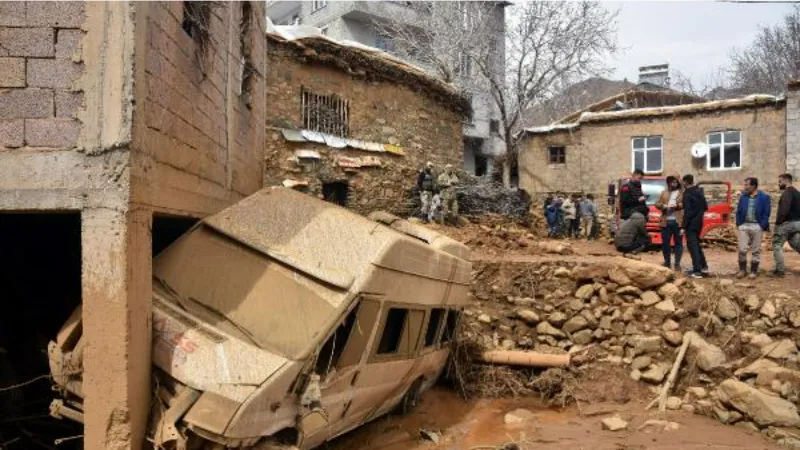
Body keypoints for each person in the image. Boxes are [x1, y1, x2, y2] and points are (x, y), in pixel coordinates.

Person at [735, 177, 771, 279]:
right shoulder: (743, 197)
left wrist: (762, 225)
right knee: (742, 249)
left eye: (747, 185)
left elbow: (766, 213)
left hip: (757, 226)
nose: (745, 187)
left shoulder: (764, 197)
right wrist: (739, 224)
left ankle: (753, 271)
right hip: (744, 225)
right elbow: (739, 211)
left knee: (756, 250)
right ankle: (742, 270)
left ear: (754, 186)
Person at [771, 173, 800, 277]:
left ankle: (780, 271)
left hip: (787, 224)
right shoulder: (797, 193)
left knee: (777, 245)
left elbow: (784, 210)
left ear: (786, 181)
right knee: (796, 243)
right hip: (798, 224)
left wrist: (778, 223)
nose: (778, 184)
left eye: (780, 181)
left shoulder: (787, 193)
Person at [682, 174, 709, 278]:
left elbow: (687, 212)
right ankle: (704, 267)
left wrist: (683, 226)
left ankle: (697, 271)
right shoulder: (699, 191)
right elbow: (705, 207)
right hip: (699, 223)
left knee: (692, 247)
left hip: (691, 225)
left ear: (685, 182)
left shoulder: (687, 194)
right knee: (696, 245)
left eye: (683, 182)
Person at [655, 175, 683, 270]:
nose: (674, 183)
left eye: (675, 181)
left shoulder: (681, 193)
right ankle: (667, 263)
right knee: (665, 243)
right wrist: (663, 206)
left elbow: (685, 204)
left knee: (678, 243)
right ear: (669, 183)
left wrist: (677, 205)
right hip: (665, 222)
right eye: (672, 181)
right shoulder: (664, 193)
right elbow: (657, 203)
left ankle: (677, 264)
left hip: (677, 222)